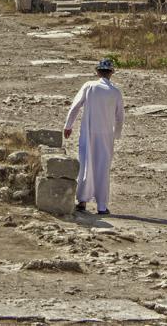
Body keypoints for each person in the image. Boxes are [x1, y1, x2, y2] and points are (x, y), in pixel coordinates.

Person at [63, 58, 124, 215]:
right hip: (106, 134)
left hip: (88, 132)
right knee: (103, 167)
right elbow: (120, 117)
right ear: (111, 73)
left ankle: (82, 201)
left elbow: (76, 106)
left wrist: (68, 125)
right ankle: (101, 206)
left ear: (97, 71)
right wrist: (116, 134)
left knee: (86, 164)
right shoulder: (116, 92)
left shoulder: (89, 86)